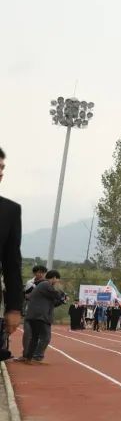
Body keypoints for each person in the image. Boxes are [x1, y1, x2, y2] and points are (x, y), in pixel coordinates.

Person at [0, 148, 23, 360]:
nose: (1, 173)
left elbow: (12, 264)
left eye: (2, 168)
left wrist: (14, 308)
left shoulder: (10, 211)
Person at [22, 270, 66, 362]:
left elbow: (53, 303)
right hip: (39, 315)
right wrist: (62, 294)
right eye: (57, 279)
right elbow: (57, 295)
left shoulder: (46, 288)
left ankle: (31, 356)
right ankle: (34, 356)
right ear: (54, 277)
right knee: (44, 337)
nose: (57, 282)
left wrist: (62, 300)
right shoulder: (45, 284)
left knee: (38, 337)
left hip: (41, 315)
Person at [21, 265, 47, 357]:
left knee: (38, 335)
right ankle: (25, 354)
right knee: (27, 334)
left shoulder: (46, 284)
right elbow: (27, 296)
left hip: (41, 313)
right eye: (39, 272)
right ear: (35, 273)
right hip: (29, 311)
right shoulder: (30, 283)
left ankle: (33, 355)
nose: (41, 274)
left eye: (43, 273)